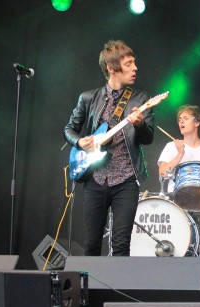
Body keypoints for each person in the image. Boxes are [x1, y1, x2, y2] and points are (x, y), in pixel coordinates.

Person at [64, 39, 155, 256]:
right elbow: (69, 129)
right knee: (92, 244)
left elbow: (148, 138)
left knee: (121, 244)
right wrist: (79, 142)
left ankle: (117, 290)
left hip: (126, 180)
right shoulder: (89, 98)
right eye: (129, 63)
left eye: (135, 62)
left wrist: (140, 123)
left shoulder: (140, 98)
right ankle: (90, 290)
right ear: (112, 69)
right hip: (95, 178)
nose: (135, 68)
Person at [157, 104, 200, 193]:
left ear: (197, 122)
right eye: (179, 119)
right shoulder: (171, 146)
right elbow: (162, 174)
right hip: (176, 198)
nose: (181, 121)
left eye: (185, 118)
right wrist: (180, 154)